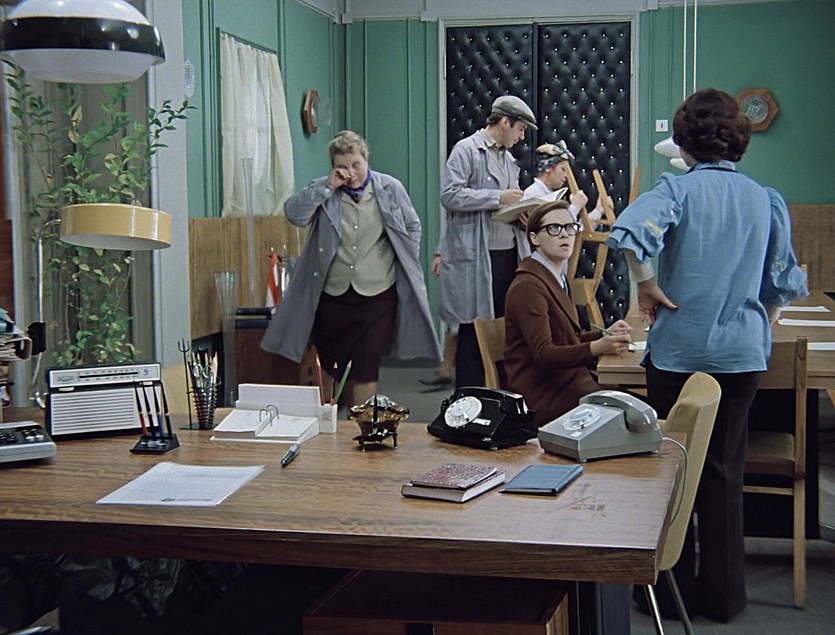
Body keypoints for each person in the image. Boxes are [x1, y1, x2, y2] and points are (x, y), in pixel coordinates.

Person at [606, 87, 807, 622]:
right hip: (742, 358)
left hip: (680, 352)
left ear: (684, 142)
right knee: (723, 472)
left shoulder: (676, 189)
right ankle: (724, 598)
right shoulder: (764, 198)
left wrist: (646, 284)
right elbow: (782, 285)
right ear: (736, 140)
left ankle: (668, 588)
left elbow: (629, 233)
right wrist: (759, 323)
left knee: (672, 468)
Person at [261, 130, 441, 406]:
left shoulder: (390, 188)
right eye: (342, 167)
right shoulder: (325, 190)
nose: (351, 173)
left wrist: (405, 257)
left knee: (366, 364)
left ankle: (363, 424)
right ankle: (328, 421)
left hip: (378, 294)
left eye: (356, 164)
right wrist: (327, 186)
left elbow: (412, 225)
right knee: (330, 365)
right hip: (333, 295)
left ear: (366, 159)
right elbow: (294, 214)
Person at [504, 200, 632, 425]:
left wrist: (604, 335)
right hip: (546, 396)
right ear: (534, 238)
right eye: (554, 228)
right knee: (640, 413)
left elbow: (565, 339)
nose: (565, 234)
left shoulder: (556, 276)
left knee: (640, 406)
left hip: (569, 385)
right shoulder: (528, 286)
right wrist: (596, 348)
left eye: (570, 227)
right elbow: (544, 354)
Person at [438, 95, 536, 388]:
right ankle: (467, 400)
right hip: (477, 255)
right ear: (505, 122)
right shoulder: (466, 150)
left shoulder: (508, 159)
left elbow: (508, 201)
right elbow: (450, 195)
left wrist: (522, 213)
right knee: (474, 328)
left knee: (504, 327)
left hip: (507, 253)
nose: (521, 137)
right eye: (520, 129)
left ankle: (502, 396)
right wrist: (497, 197)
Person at [522, 141, 604, 224]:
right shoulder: (533, 195)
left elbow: (575, 229)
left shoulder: (552, 195)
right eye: (563, 169)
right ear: (548, 168)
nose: (566, 175)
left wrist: (598, 211)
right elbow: (554, 228)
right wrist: (575, 207)